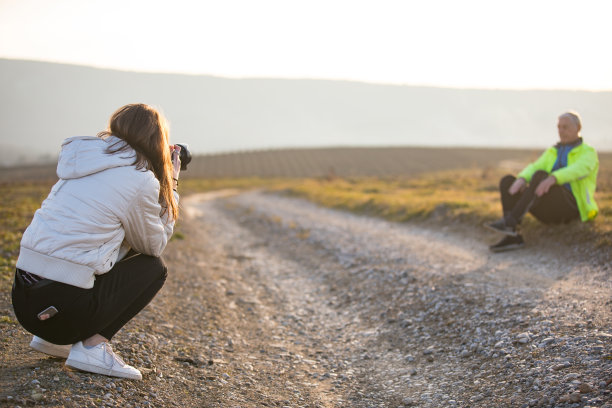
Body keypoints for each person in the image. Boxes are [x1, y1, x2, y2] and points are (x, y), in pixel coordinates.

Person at [11, 103, 182, 380]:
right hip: (60, 310)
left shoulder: (82, 163)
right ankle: (92, 347)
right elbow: (153, 245)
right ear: (156, 141)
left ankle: (58, 341)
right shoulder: (139, 180)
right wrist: (171, 186)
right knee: (153, 268)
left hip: (24, 300)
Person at [486, 111, 599, 252]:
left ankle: (511, 221)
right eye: (559, 127)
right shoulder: (553, 151)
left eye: (565, 127)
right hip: (549, 206)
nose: (561, 131)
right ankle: (512, 236)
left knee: (541, 175)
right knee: (508, 181)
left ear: (578, 128)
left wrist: (553, 178)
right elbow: (535, 166)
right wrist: (522, 179)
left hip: (572, 207)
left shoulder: (588, 152)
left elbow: (578, 169)